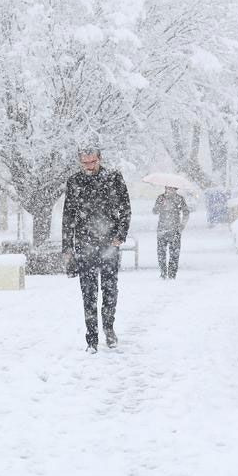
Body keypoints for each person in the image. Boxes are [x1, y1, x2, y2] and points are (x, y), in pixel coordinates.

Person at [61, 147, 131, 353]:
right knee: (88, 293)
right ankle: (91, 338)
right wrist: (67, 247)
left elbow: (125, 208)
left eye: (92, 162)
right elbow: (68, 216)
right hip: (84, 245)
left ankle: (109, 328)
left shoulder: (114, 178)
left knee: (110, 289)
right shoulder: (74, 181)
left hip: (109, 243)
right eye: (85, 163)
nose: (89, 167)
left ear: (100, 159)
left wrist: (120, 234)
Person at [153, 186, 189, 279]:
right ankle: (163, 272)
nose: (170, 190)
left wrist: (182, 225)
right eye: (168, 188)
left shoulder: (179, 199)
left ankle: (172, 274)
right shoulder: (161, 198)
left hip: (175, 230)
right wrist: (160, 205)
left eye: (172, 188)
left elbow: (186, 212)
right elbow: (155, 211)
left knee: (174, 254)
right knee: (161, 253)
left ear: (176, 189)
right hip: (162, 229)